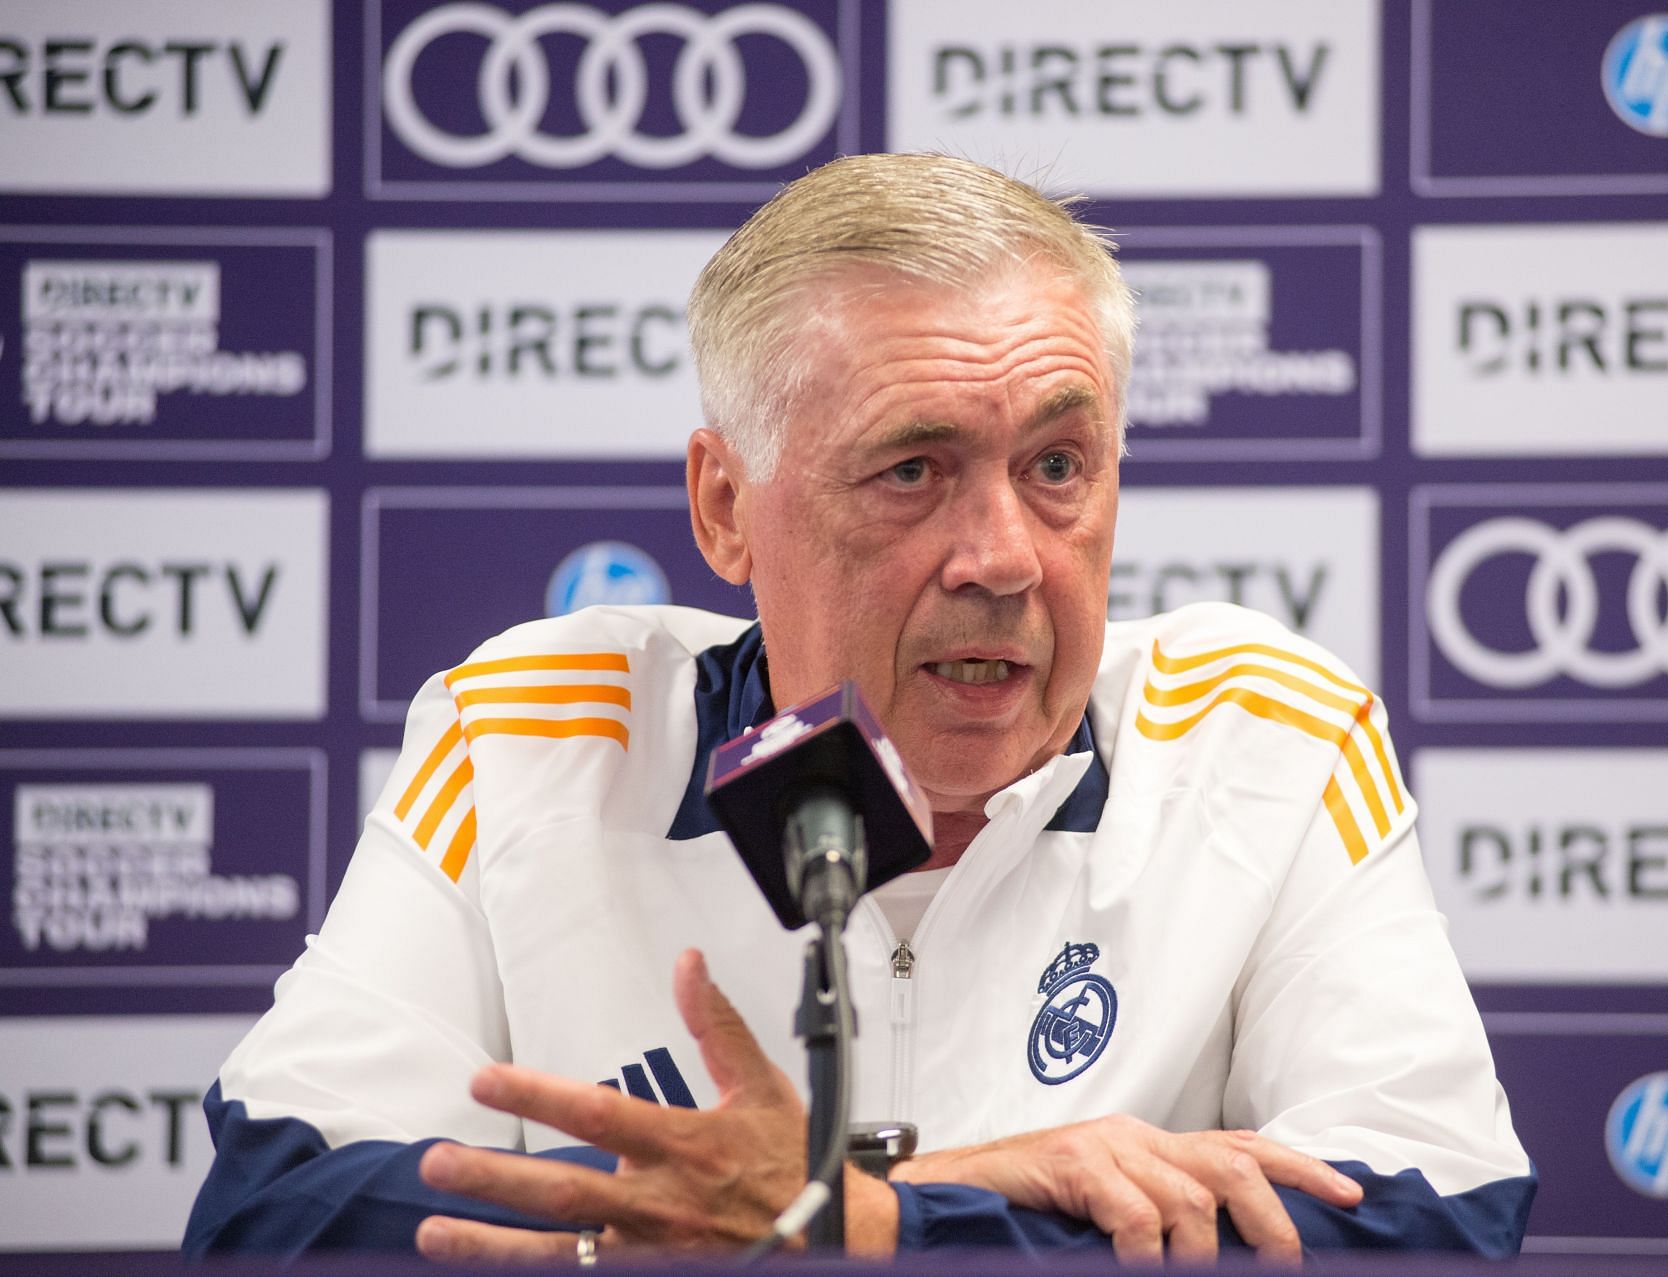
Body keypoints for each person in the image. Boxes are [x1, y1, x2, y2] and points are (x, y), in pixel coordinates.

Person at [184, 153, 1534, 1263]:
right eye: (911, 470)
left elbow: (1435, 1226)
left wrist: (866, 1219)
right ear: (727, 507)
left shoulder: (1270, 736)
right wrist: (926, 1202)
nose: (1004, 556)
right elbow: (267, 1217)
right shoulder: (532, 733)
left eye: (1058, 464)